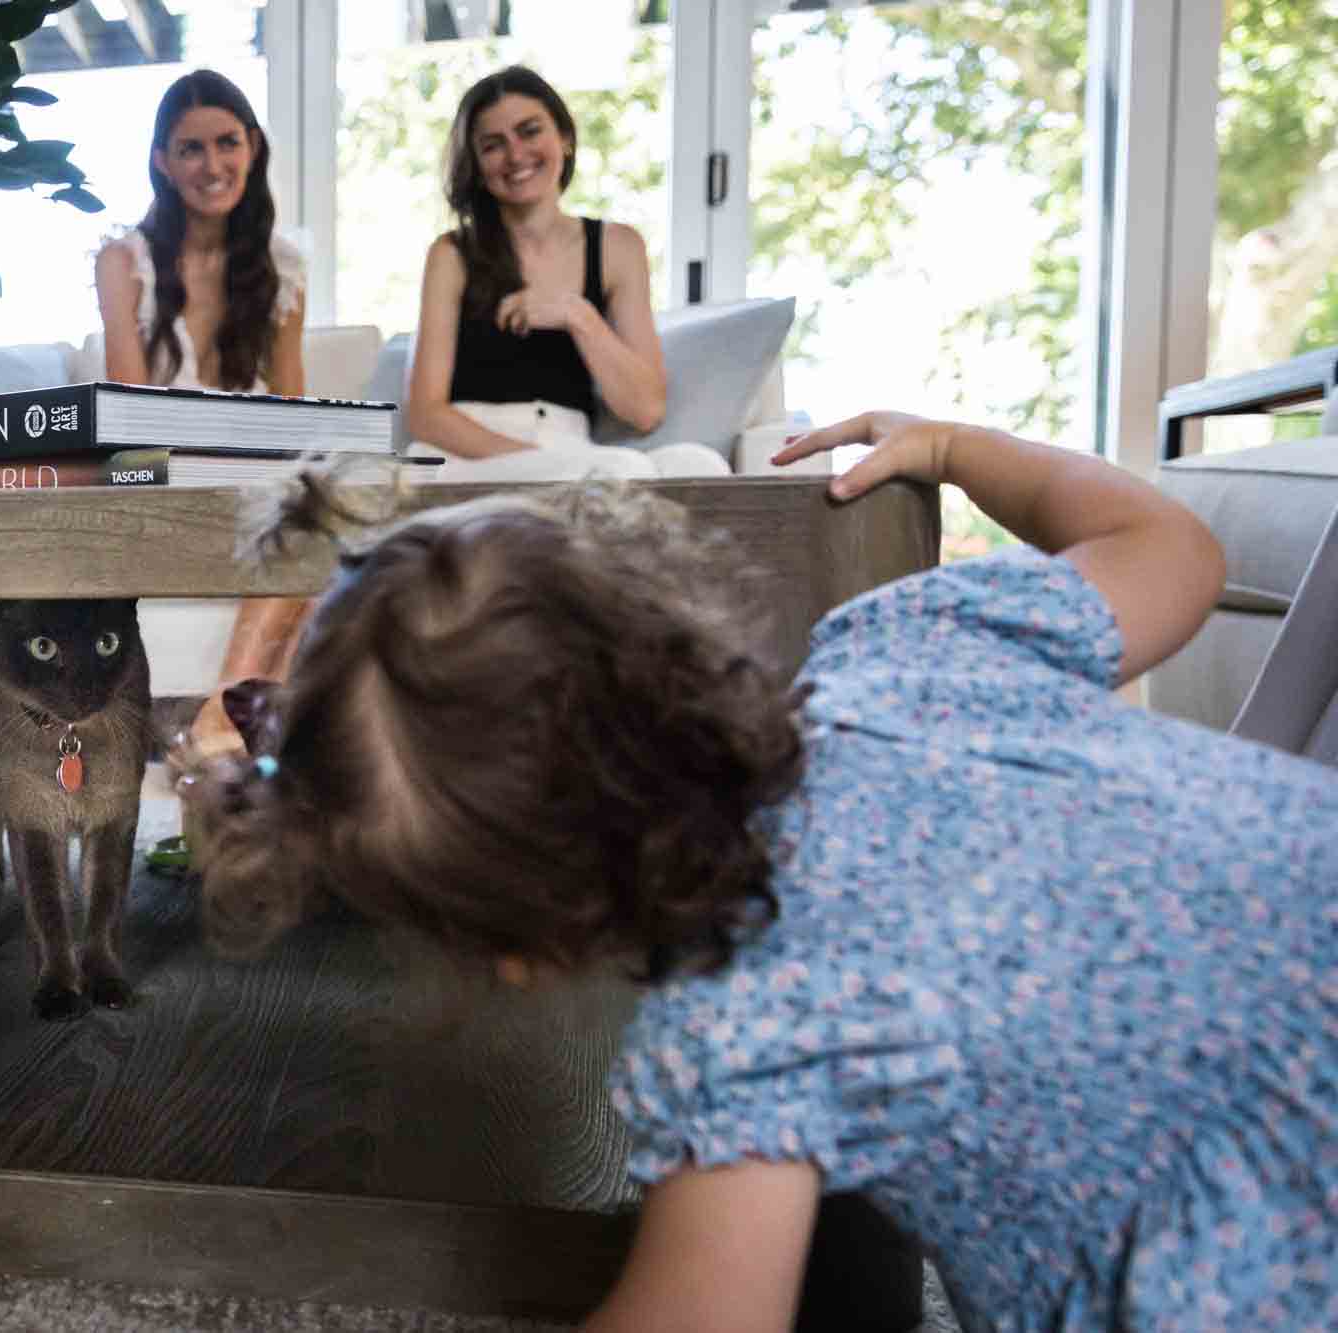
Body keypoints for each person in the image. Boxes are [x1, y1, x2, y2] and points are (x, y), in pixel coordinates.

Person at [175, 410, 1338, 1332]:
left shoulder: (744, 1026)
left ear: (514, 952)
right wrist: (953, 448)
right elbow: (1172, 551)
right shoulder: (903, 649)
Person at [94, 68, 310, 753]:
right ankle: (230, 728)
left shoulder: (284, 269)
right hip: (151, 471)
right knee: (302, 519)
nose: (212, 165)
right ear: (162, 161)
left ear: (253, 145)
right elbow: (128, 419)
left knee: (320, 507)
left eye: (227, 143)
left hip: (252, 479)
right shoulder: (123, 261)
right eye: (191, 148)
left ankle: (220, 721)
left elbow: (293, 414)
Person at [407, 66, 722, 483]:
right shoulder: (451, 254)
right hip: (472, 454)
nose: (516, 155)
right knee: (621, 472)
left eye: (530, 131)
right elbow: (426, 415)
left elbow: (645, 410)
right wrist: (537, 461)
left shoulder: (618, 247)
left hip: (572, 449)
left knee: (700, 465)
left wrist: (576, 314)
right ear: (478, 166)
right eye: (493, 145)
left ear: (565, 138)